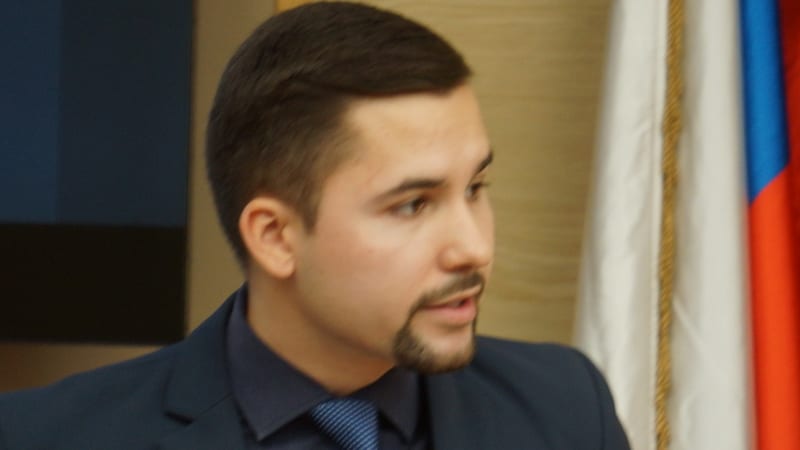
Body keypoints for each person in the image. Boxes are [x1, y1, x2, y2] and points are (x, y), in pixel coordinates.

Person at [0, 2, 630, 449]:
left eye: (475, 188)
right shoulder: (48, 437)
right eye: (413, 205)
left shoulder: (565, 408)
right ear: (275, 237)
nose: (473, 247)